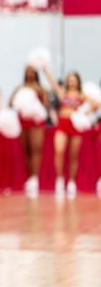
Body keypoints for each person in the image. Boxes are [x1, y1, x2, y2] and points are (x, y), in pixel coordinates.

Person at [42, 68, 97, 197]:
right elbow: (53, 84)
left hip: (75, 126)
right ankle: (59, 179)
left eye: (74, 80)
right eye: (70, 80)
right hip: (62, 124)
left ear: (78, 82)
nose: (72, 82)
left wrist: (85, 112)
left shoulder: (81, 95)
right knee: (59, 151)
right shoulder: (63, 93)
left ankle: (71, 182)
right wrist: (45, 70)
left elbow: (96, 104)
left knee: (73, 155)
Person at [10, 66, 50, 196]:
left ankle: (35, 178)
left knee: (36, 149)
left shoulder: (41, 89)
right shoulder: (20, 88)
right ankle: (29, 177)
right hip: (23, 122)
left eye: (32, 72)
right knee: (26, 149)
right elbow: (11, 103)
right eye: (27, 72)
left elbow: (46, 104)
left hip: (36, 122)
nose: (30, 74)